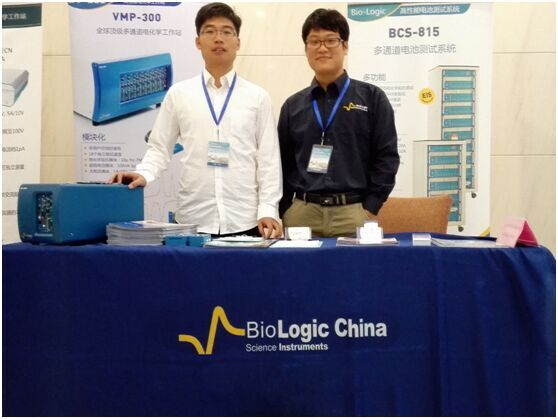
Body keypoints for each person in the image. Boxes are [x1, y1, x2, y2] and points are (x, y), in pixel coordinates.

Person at [109, 2, 282, 238]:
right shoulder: (179, 94)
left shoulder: (258, 97)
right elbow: (160, 147)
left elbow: (268, 159)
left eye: (227, 32)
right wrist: (144, 174)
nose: (218, 38)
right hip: (193, 220)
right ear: (198, 42)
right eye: (210, 31)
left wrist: (268, 209)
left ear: (238, 42)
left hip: (246, 220)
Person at [278, 8, 400, 237]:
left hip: (353, 213)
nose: (322, 48)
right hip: (302, 214)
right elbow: (282, 164)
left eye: (331, 40)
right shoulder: (292, 106)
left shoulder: (372, 98)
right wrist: (286, 209)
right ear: (306, 49)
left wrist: (370, 208)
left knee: (354, 264)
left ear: (345, 46)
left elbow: (387, 157)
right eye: (314, 41)